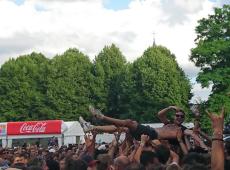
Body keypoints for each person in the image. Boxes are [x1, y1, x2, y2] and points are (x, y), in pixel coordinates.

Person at [79, 106, 180, 141]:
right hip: (148, 133)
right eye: (177, 115)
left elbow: (189, 134)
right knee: (120, 127)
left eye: (181, 116)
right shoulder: (169, 124)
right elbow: (160, 114)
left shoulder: (182, 129)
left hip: (152, 134)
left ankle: (101, 117)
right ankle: (91, 127)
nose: (178, 117)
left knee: (129, 122)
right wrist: (170, 107)